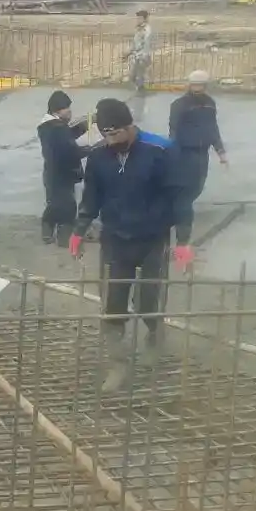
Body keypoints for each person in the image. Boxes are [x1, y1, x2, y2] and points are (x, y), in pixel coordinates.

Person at [69, 98, 194, 391]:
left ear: (129, 126)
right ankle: (118, 363)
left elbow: (180, 198)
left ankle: (155, 336)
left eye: (116, 133)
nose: (111, 140)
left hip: (153, 238)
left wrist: (184, 240)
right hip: (115, 238)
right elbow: (91, 198)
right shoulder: (99, 158)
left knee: (149, 300)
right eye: (105, 135)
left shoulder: (161, 151)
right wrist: (79, 229)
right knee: (112, 304)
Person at [168, 70, 228, 207]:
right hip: (185, 151)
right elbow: (173, 129)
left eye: (200, 85)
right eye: (195, 85)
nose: (198, 89)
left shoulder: (210, 103)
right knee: (184, 183)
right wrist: (172, 151)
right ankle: (181, 209)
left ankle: (183, 206)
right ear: (189, 85)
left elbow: (213, 127)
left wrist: (221, 151)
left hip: (202, 151)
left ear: (206, 86)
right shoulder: (179, 104)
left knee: (199, 184)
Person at [37, 90, 90, 245]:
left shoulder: (49, 126)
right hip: (63, 174)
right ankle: (64, 238)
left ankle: (47, 232)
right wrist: (91, 149)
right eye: (67, 108)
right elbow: (70, 151)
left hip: (52, 173)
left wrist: (83, 126)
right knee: (68, 207)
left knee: (54, 204)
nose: (70, 112)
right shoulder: (58, 128)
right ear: (57, 110)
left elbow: (66, 136)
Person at [125, 10, 153, 94]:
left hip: (142, 56)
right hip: (136, 55)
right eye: (137, 18)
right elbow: (135, 43)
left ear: (145, 19)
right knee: (132, 76)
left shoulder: (146, 30)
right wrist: (129, 52)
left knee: (139, 77)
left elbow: (145, 45)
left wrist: (141, 56)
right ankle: (139, 92)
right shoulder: (138, 28)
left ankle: (140, 95)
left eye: (140, 18)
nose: (138, 20)